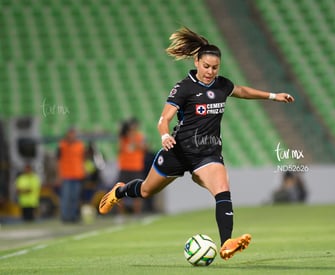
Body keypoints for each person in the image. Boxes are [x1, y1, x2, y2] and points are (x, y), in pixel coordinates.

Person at [99, 27, 294, 260]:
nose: (211, 72)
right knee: (145, 190)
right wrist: (164, 135)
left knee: (222, 189)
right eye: (206, 66)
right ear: (197, 61)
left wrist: (273, 96)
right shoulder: (184, 88)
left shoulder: (222, 85)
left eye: (215, 67)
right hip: (178, 150)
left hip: (207, 153)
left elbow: (241, 91)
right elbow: (164, 119)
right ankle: (119, 191)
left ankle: (226, 243)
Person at [116, 118, 147, 214]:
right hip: (124, 168)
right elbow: (119, 149)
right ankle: (121, 214)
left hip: (136, 168)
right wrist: (125, 135)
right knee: (120, 191)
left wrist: (134, 140)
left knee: (137, 192)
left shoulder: (140, 136)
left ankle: (137, 213)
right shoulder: (123, 137)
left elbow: (145, 148)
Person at [57, 127, 86, 223]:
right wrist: (59, 174)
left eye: (74, 134)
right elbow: (58, 160)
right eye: (71, 134)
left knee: (75, 197)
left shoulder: (80, 145)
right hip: (66, 175)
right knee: (66, 197)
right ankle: (65, 216)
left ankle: (73, 216)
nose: (72, 136)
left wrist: (84, 171)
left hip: (77, 175)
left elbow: (82, 159)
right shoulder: (62, 145)